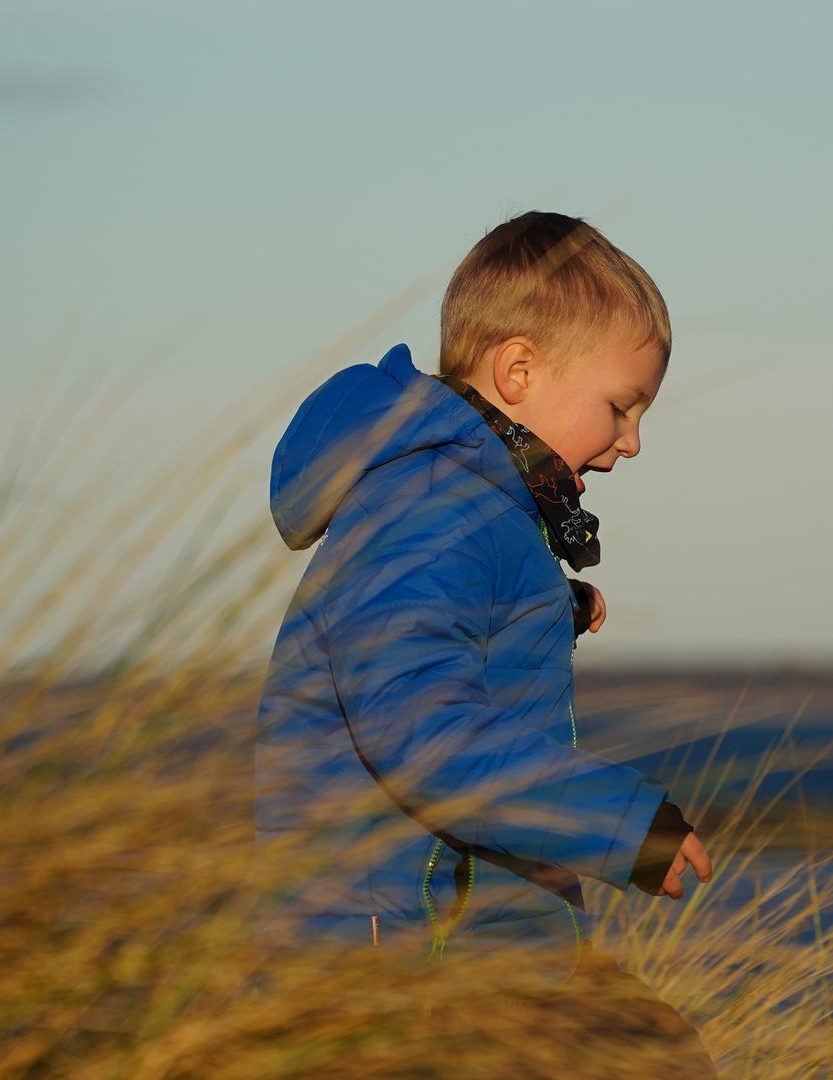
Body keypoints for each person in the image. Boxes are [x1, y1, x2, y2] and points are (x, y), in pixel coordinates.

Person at [254, 211, 714, 1073]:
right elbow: (419, 729)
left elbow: (437, 634)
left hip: (483, 949)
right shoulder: (432, 507)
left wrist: (549, 608)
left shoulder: (468, 509)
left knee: (654, 1052)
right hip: (397, 966)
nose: (633, 442)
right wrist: (619, 822)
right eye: (620, 407)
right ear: (517, 369)